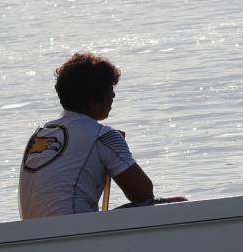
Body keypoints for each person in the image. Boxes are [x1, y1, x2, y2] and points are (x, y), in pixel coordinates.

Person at [19, 52, 184, 218]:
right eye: (110, 90)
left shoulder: (40, 135)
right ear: (93, 100)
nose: (113, 96)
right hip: (73, 231)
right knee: (180, 204)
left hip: (33, 233)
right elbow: (143, 193)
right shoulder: (103, 136)